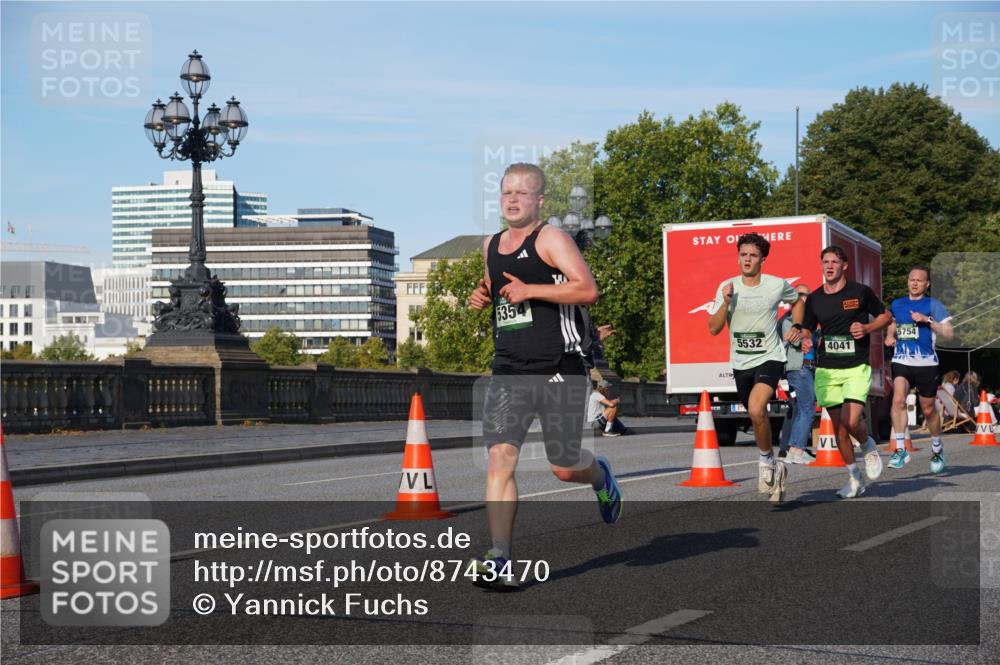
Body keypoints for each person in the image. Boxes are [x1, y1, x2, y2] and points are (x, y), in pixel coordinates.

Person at [467, 162, 622, 590]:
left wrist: (531, 290)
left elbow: (587, 289)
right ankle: (499, 555)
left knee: (564, 467)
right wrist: (483, 293)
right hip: (509, 368)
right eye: (506, 193)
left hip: (560, 367)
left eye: (522, 193)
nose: (512, 200)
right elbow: (497, 282)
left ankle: (601, 475)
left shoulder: (551, 238)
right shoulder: (491, 244)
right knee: (500, 458)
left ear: (539, 201)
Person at [708, 232, 804, 503]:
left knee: (755, 407)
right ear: (738, 257)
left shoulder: (776, 285)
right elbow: (714, 329)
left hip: (770, 357)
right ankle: (775, 464)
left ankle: (764, 462)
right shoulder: (727, 287)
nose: (747, 259)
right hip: (741, 363)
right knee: (756, 416)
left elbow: (797, 301)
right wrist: (726, 303)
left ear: (763, 259)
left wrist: (796, 326)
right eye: (743, 255)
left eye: (753, 255)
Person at [801, 246, 893, 499]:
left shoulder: (859, 292)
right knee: (839, 430)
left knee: (851, 422)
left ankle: (868, 445)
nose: (829, 266)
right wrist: (806, 339)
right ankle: (855, 478)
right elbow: (808, 328)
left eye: (834, 261)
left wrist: (867, 327)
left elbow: (886, 317)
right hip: (827, 370)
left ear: (844, 266)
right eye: (825, 262)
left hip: (855, 366)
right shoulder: (815, 298)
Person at [884, 266, 954, 473]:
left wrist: (927, 320)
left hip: (926, 363)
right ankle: (899, 449)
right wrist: (890, 335)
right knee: (898, 400)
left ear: (927, 284)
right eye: (911, 280)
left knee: (929, 409)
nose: (914, 283)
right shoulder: (897, 304)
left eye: (919, 280)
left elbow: (949, 333)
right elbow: (893, 323)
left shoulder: (933, 305)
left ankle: (937, 448)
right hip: (902, 360)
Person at [778, 284, 817, 464]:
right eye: (799, 294)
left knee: (802, 408)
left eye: (806, 294)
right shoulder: (788, 320)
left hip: (808, 367)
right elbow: (793, 339)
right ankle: (796, 449)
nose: (803, 297)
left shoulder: (808, 320)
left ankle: (794, 448)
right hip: (797, 368)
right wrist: (803, 336)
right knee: (806, 408)